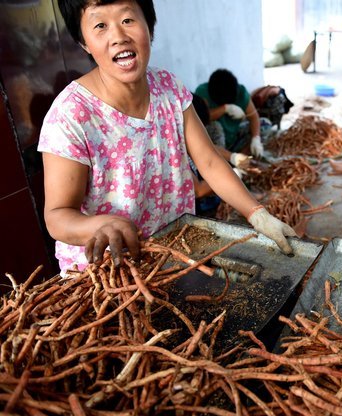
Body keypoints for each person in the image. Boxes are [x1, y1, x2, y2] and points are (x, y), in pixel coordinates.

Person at [40, 0, 296, 274]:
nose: (118, 36)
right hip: (104, 275)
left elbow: (208, 161)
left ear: (150, 28)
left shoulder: (169, 88)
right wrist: (98, 226)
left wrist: (256, 212)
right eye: (100, 25)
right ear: (84, 42)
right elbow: (57, 216)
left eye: (128, 20)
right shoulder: (70, 116)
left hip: (173, 254)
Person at [195, 69, 269, 157]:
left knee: (264, 124)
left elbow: (253, 117)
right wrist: (225, 109)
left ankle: (243, 157)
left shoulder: (241, 92)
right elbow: (199, 119)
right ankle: (224, 160)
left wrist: (256, 139)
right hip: (216, 145)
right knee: (215, 126)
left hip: (235, 137)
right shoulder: (202, 92)